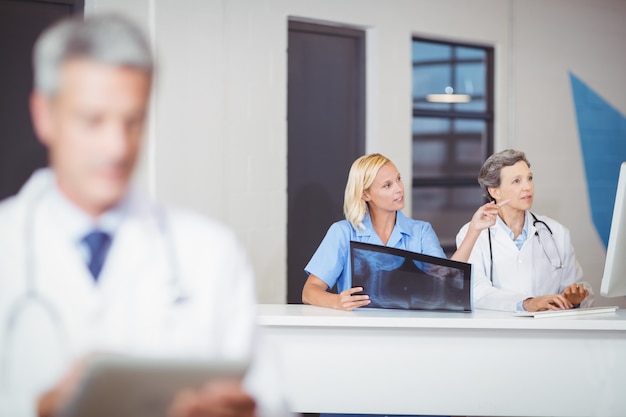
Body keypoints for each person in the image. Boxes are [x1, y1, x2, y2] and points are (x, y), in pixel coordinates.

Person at [0, 14, 290, 417]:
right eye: (93, 120)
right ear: (44, 115)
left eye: (133, 121)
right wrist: (37, 410)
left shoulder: (211, 252)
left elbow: (271, 400)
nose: (118, 147)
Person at [302, 152, 503, 311]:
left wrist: (474, 229)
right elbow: (309, 292)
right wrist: (337, 301)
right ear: (365, 194)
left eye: (398, 179)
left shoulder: (421, 232)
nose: (399, 188)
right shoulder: (343, 232)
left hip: (409, 335)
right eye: (387, 185)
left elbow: (447, 281)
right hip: (359, 334)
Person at [455, 149, 593, 312]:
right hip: (499, 331)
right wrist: (526, 303)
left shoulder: (556, 232)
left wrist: (573, 299)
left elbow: (574, 286)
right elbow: (476, 291)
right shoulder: (473, 234)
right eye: (516, 181)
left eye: (530, 178)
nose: (527, 187)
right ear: (495, 191)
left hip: (548, 331)